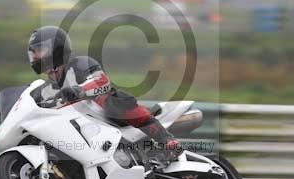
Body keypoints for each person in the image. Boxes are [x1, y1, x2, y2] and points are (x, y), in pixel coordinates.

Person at [27, 26, 183, 161]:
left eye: (39, 50)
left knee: (112, 103)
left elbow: (102, 81)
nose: (34, 56)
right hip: (80, 130)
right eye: (32, 52)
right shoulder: (45, 89)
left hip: (107, 116)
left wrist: (80, 90)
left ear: (56, 47)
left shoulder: (80, 64)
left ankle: (165, 139)